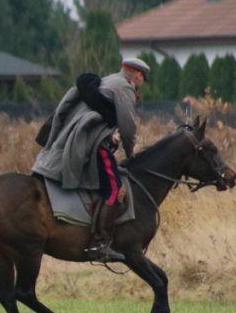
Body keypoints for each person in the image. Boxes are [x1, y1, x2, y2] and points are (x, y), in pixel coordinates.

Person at [32, 57, 150, 262]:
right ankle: (100, 243)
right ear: (138, 75)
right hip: (91, 146)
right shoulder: (124, 87)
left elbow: (95, 116)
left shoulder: (109, 80)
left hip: (82, 139)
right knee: (115, 189)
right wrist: (131, 155)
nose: (141, 82)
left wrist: (107, 135)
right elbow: (128, 128)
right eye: (142, 78)